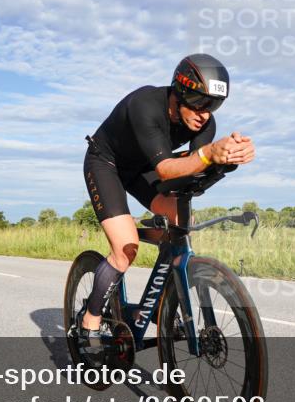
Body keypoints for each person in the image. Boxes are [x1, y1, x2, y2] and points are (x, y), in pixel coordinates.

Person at [75, 54, 255, 354]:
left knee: (181, 222)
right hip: (105, 163)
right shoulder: (145, 104)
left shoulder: (203, 124)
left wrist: (229, 157)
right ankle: (90, 321)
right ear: (180, 90)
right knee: (126, 249)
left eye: (214, 104)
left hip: (142, 168)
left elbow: (195, 166)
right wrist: (209, 154)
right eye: (199, 101)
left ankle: (158, 307)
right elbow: (167, 169)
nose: (205, 113)